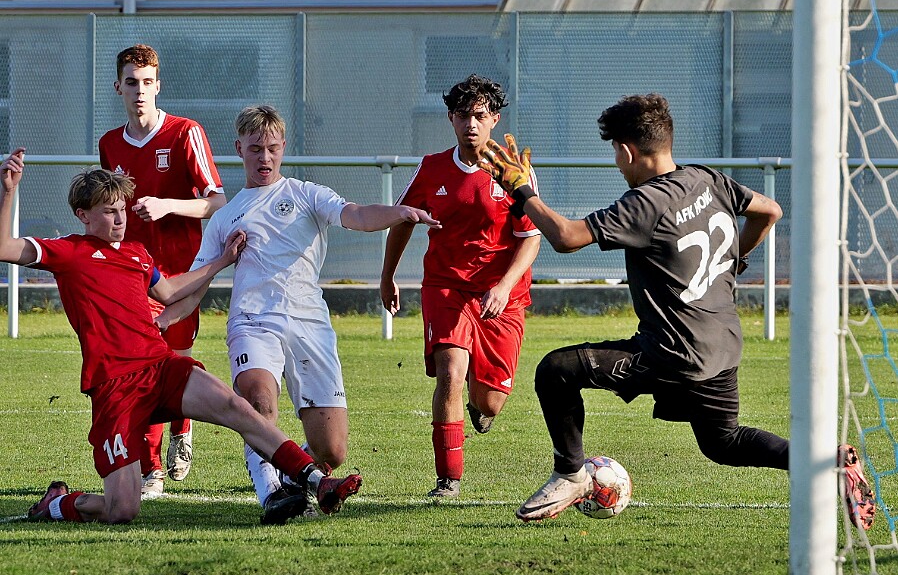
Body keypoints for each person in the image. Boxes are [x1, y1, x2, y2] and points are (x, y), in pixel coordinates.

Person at [479, 93, 876, 529]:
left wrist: (523, 192)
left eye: (615, 151)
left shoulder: (647, 202)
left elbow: (567, 237)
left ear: (628, 150)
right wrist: (731, 259)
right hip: (721, 344)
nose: (616, 162)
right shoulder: (708, 180)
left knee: (556, 370)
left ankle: (571, 474)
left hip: (673, 351)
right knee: (723, 442)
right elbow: (769, 212)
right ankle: (830, 464)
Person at [0, 149, 362, 525]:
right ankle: (57, 504)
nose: (120, 218)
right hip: (114, 387)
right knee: (123, 509)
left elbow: (170, 291)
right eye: (109, 212)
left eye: (122, 209)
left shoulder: (136, 254)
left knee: (238, 408)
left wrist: (222, 260)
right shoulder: (67, 251)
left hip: (160, 367)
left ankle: (317, 481)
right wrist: (9, 190)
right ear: (83, 215)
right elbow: (3, 248)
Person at [156, 104, 440, 519]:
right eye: (255, 149)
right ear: (239, 149)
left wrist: (398, 213)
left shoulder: (307, 194)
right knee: (258, 401)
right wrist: (162, 319)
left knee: (333, 450)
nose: (265, 158)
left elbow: (356, 214)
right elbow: (195, 285)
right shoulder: (226, 217)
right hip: (253, 322)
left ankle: (294, 472)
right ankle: (272, 493)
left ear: (283, 147)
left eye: (272, 148)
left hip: (310, 323)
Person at [379, 74, 542, 498]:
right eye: (464, 115)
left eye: (480, 115)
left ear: (494, 119)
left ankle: (479, 403)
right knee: (450, 373)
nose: (472, 123)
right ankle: (448, 478)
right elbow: (403, 220)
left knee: (490, 403)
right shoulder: (432, 167)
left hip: (501, 294)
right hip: (446, 287)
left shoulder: (514, 170)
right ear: (451, 118)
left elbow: (531, 238)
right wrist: (388, 275)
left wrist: (504, 286)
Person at [99, 44, 227, 496]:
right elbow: (108, 210)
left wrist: (168, 205)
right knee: (141, 367)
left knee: (170, 360)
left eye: (147, 82)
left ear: (159, 85)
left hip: (180, 274)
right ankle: (151, 469)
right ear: (118, 87)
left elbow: (216, 201)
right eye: (131, 82)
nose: (139, 91)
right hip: (133, 276)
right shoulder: (110, 144)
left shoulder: (184, 133)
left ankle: (182, 429)